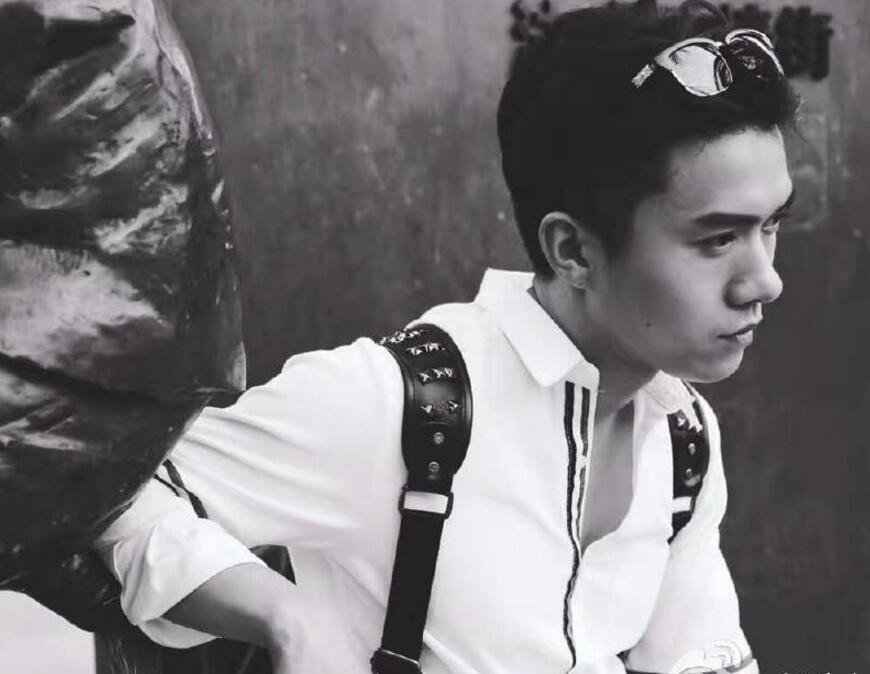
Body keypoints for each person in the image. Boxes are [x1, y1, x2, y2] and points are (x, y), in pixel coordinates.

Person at [95, 1, 799, 672]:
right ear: (572, 251)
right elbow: (111, 494)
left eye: (770, 226)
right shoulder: (401, 407)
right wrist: (286, 616)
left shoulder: (682, 438)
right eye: (717, 239)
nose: (764, 281)